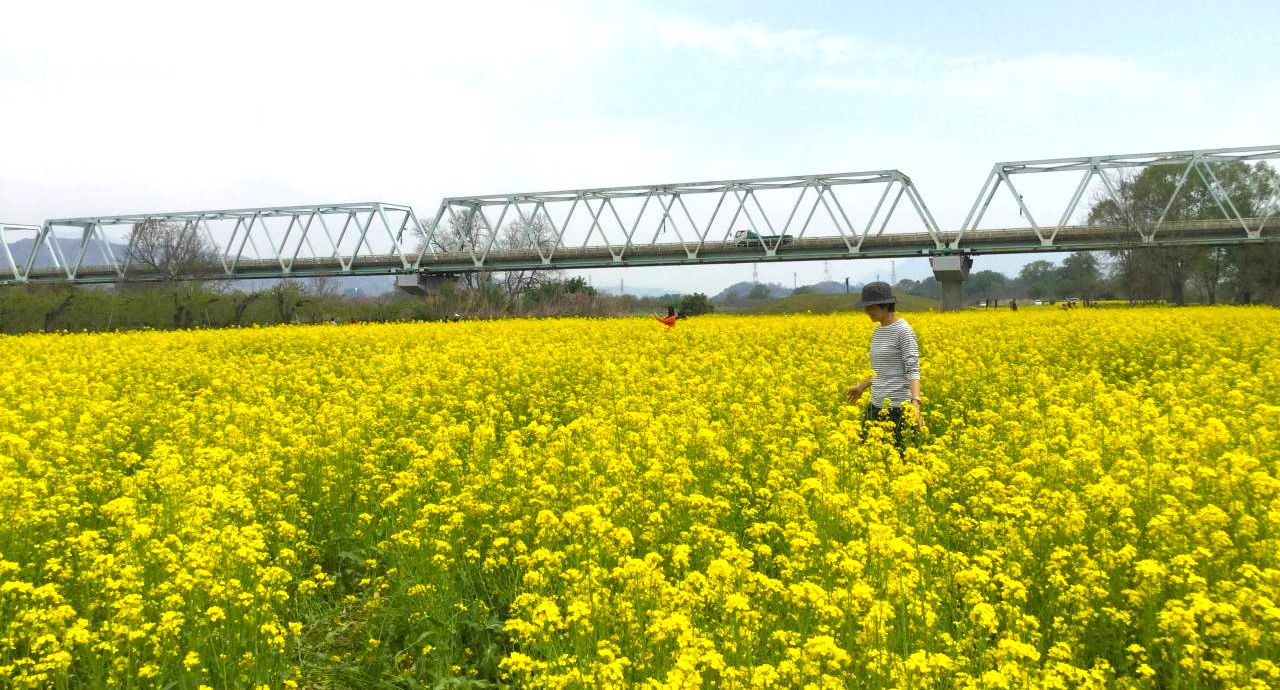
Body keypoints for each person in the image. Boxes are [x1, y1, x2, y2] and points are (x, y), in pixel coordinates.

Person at [846, 281, 923, 448]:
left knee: (899, 462)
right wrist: (861, 387)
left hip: (898, 408)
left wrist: (915, 404)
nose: (867, 311)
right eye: (866, 307)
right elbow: (881, 370)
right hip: (875, 405)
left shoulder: (904, 331)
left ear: (886, 305)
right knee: (867, 460)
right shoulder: (878, 331)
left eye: (871, 307)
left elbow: (913, 369)